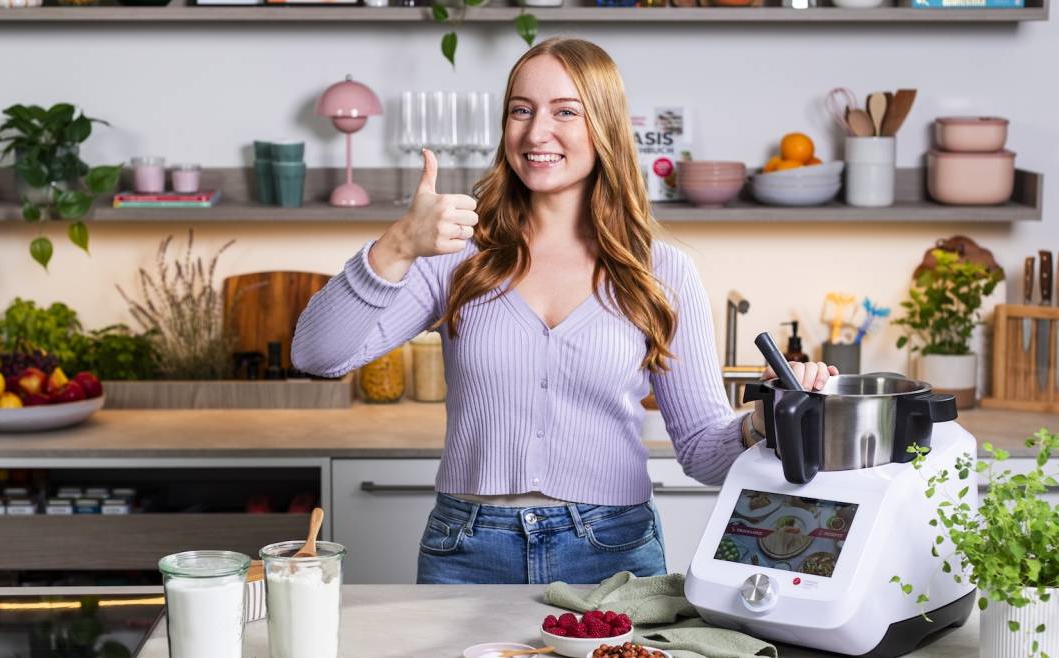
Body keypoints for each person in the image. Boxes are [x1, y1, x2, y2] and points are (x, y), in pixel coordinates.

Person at [292, 37, 837, 585]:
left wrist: (766, 419)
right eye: (520, 110)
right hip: (467, 547)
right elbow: (317, 354)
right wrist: (398, 244)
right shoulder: (455, 255)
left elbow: (700, 453)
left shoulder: (661, 272)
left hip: (612, 552)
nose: (535, 133)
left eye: (565, 112)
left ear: (604, 126)